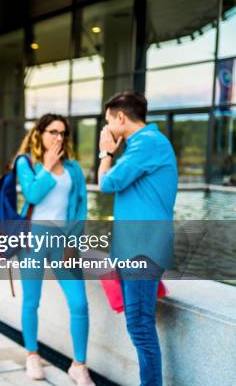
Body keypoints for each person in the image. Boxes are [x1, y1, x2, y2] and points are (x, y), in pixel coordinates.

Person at [98, 91, 177, 386]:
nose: (106, 130)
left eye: (108, 122)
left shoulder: (147, 143)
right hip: (135, 247)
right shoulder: (141, 146)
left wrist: (105, 154)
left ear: (120, 117)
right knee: (139, 324)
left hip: (143, 250)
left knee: (140, 327)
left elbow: (107, 183)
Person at [15, 113, 94, 385]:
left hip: (63, 242)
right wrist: (47, 168)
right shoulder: (26, 163)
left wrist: (74, 242)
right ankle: (32, 355)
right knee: (31, 301)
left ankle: (79, 365)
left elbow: (81, 209)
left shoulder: (73, 169)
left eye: (63, 133)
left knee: (80, 303)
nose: (58, 137)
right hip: (32, 241)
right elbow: (32, 195)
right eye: (52, 132)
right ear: (39, 134)